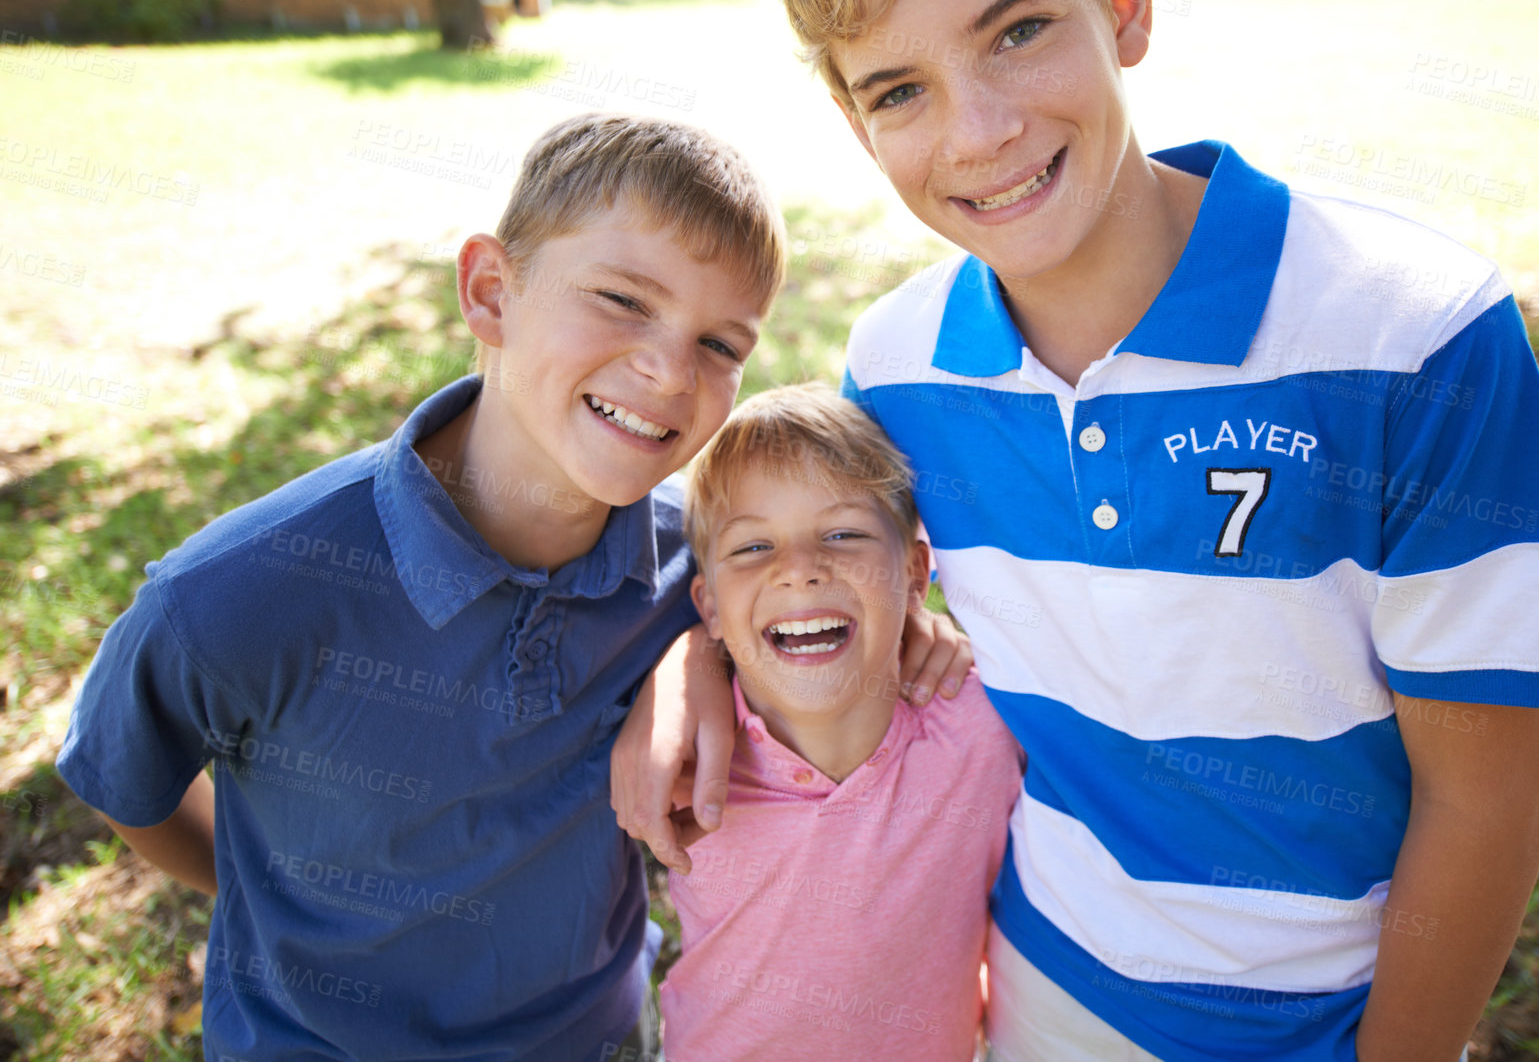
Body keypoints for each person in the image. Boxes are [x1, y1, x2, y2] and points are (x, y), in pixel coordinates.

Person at [613, 0, 1539, 1061]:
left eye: (1020, 30)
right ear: (853, 120)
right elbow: (818, 575)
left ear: (1123, 1)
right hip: (1041, 994)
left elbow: (1486, 794)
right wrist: (693, 662)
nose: (980, 132)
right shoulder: (897, 370)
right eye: (898, 91)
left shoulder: (1414, 335)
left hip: (1347, 1013)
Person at [55, 112, 968, 1062]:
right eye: (621, 298)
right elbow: (128, 782)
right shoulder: (242, 591)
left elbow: (799, 611)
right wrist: (273, 899)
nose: (665, 369)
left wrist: (697, 651)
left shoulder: (694, 569)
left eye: (720, 344)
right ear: (491, 293)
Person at [656, 383, 1022, 1061]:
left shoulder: (987, 729)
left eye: (842, 534)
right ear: (706, 605)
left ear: (915, 573)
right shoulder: (683, 753)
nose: (799, 569)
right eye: (751, 546)